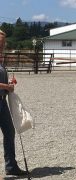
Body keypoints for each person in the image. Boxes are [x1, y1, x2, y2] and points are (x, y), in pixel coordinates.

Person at [0, 30, 27, 176]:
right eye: (0, 43)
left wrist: (8, 83)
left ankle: (11, 166)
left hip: (2, 102)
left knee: (9, 132)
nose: (2, 46)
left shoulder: (1, 60)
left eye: (3, 43)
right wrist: (6, 86)